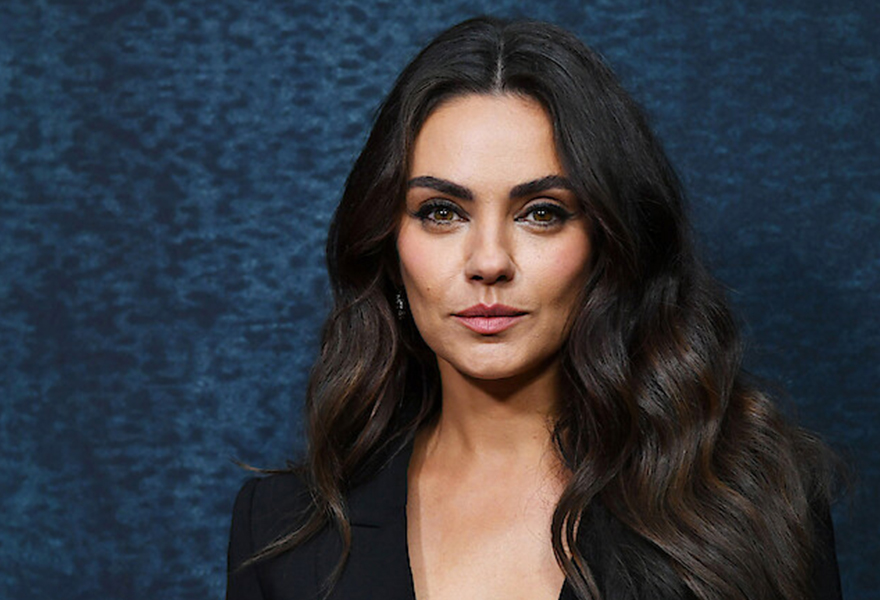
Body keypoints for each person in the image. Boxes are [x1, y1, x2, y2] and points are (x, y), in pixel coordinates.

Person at [226, 16, 842, 600]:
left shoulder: (748, 502)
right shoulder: (282, 531)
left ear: (608, 242)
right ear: (387, 244)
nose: (489, 261)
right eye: (441, 212)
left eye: (541, 213)